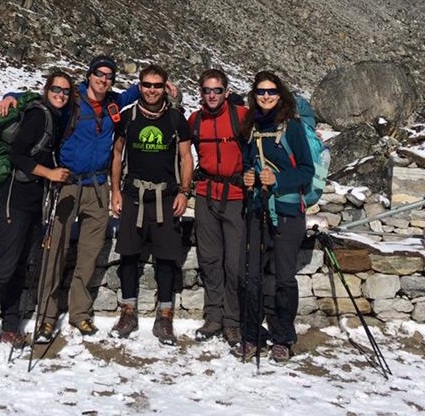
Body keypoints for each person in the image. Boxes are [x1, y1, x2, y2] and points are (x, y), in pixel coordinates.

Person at [0, 55, 141, 340]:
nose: (103, 79)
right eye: (99, 74)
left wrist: (166, 85)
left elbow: (133, 92)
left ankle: (79, 313)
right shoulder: (72, 99)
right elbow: (45, 96)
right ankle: (47, 316)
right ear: (89, 75)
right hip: (67, 184)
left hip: (98, 186)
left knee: (88, 255)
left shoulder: (113, 101)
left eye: (109, 75)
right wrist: (11, 96)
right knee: (55, 252)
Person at [0, 70, 74, 361]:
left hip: (32, 200)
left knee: (19, 266)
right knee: (5, 266)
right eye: (56, 89)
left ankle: (11, 327)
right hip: (14, 200)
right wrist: (50, 173)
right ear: (46, 89)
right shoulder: (39, 116)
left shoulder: (54, 117)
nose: (61, 95)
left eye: (65, 91)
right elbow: (18, 155)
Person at [109, 64, 193, 345]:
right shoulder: (128, 117)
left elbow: (185, 157)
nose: (152, 90)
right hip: (133, 194)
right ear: (140, 85)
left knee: (167, 258)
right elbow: (118, 153)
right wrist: (115, 192)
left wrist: (184, 191)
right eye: (147, 85)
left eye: (157, 86)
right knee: (129, 255)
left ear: (165, 87)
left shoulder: (175, 119)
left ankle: (165, 315)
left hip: (166, 196)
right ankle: (128, 311)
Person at [240, 70, 314, 364]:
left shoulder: (292, 128)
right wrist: (246, 177)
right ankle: (252, 335)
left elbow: (306, 170)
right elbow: (248, 163)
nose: (266, 96)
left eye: (271, 91)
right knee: (253, 275)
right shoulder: (251, 127)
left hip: (286, 211)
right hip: (258, 209)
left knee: (284, 278)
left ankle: (282, 338)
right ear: (254, 95)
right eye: (261, 92)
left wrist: (278, 180)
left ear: (280, 94)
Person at [188, 68, 248, 347]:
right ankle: (214, 316)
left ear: (226, 91)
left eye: (217, 90)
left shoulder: (241, 117)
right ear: (200, 92)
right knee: (210, 260)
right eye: (206, 91)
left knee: (234, 263)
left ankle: (232, 321)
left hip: (236, 196)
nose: (212, 96)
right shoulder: (195, 120)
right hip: (205, 194)